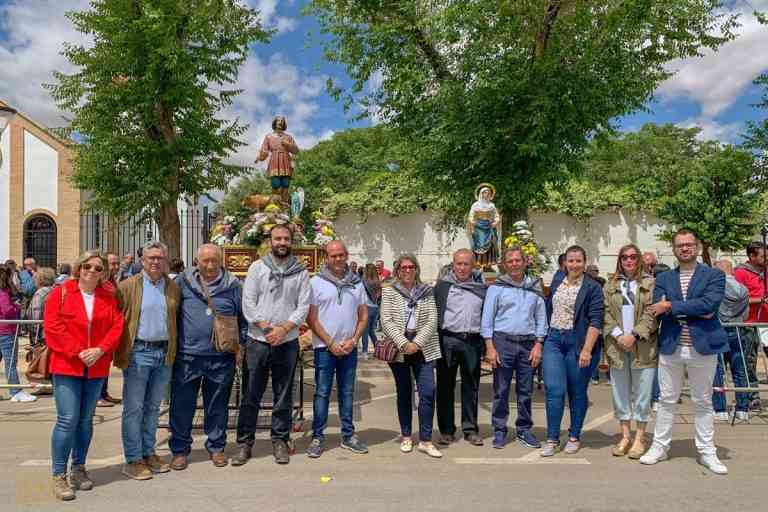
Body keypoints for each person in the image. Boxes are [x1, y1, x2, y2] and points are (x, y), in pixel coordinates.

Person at [641, 228, 729, 475]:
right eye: (680, 245)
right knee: (666, 400)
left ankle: (707, 452)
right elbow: (657, 309)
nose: (685, 248)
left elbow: (709, 305)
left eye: (689, 244)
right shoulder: (665, 278)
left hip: (703, 346)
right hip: (672, 345)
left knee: (703, 401)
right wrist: (687, 308)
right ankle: (660, 447)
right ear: (674, 248)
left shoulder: (714, 275)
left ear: (697, 247)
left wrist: (671, 305)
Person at [44, 250, 124, 500]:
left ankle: (78, 467)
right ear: (79, 267)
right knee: (68, 419)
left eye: (98, 268)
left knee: (85, 420)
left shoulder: (108, 296)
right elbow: (53, 327)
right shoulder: (61, 292)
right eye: (87, 266)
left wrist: (100, 350)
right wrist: (79, 351)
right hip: (67, 365)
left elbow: (117, 324)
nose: (92, 271)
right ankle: (59, 475)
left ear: (104, 273)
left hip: (96, 366)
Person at [234, 224, 311, 466]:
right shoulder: (257, 268)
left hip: (287, 342)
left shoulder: (300, 272)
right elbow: (248, 303)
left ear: (291, 242)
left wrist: (284, 329)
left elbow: (303, 306)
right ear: (270, 240)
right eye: (278, 238)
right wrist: (268, 329)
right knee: (250, 394)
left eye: (286, 239)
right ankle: (245, 443)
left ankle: (279, 439)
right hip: (258, 341)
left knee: (284, 394)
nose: (282, 242)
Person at [169, 244, 246, 470]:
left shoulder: (234, 286)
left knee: (218, 405)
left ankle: (216, 447)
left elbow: (243, 317)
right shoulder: (182, 283)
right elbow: (171, 314)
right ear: (197, 261)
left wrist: (240, 346)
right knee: (182, 406)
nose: (210, 265)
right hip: (187, 356)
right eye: (205, 261)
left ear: (221, 261)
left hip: (221, 357)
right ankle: (180, 450)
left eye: (214, 260)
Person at [115, 241, 180, 480]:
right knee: (134, 408)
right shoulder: (128, 286)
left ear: (165, 261)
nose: (155, 262)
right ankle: (133, 459)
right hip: (138, 353)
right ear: (142, 261)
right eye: (151, 258)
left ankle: (148, 452)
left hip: (164, 353)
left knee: (153, 408)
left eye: (160, 258)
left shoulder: (173, 287)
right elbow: (117, 318)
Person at [305, 240, 369, 458]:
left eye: (341, 254)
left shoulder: (357, 284)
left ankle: (348, 436)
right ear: (327, 257)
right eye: (334, 255)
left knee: (347, 392)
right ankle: (317, 437)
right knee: (322, 393)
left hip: (349, 348)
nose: (338, 259)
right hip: (325, 348)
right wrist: (330, 342)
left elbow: (363, 316)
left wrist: (353, 340)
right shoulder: (316, 283)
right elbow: (311, 318)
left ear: (347, 255)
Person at [540, 245, 604, 457]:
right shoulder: (558, 280)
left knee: (576, 391)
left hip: (578, 343)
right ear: (564, 263)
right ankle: (552, 438)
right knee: (554, 389)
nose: (574, 264)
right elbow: (549, 309)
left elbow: (596, 320)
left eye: (578, 261)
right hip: (554, 340)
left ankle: (574, 435)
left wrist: (587, 349)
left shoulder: (592, 287)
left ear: (584, 263)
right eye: (571, 260)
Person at [482, 247, 547, 449]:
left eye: (518, 260)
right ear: (504, 264)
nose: (514, 264)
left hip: (528, 344)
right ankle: (500, 430)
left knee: (525, 390)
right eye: (510, 261)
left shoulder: (534, 287)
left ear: (525, 262)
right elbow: (487, 320)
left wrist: (539, 344)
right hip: (503, 343)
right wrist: (490, 348)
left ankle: (524, 429)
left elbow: (541, 319)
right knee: (501, 390)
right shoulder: (496, 288)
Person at [381, 254, 442, 458]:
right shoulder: (389, 292)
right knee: (404, 392)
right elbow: (386, 321)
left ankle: (425, 440)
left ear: (416, 269)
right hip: (400, 349)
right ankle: (406, 435)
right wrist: (404, 343)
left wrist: (416, 343)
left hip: (423, 348)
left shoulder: (427, 292)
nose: (407, 270)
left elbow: (433, 320)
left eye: (411, 267)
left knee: (428, 392)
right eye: (403, 267)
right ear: (397, 270)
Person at [603, 244, 658, 459]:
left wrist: (633, 335)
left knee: (643, 393)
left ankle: (640, 437)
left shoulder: (651, 284)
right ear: (619, 260)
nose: (629, 261)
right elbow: (605, 313)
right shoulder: (610, 285)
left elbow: (651, 313)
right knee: (620, 392)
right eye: (624, 257)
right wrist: (618, 336)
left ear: (640, 260)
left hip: (643, 345)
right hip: (617, 346)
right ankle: (625, 435)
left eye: (633, 257)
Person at [434, 249, 487, 447]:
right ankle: (447, 430)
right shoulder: (442, 286)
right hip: (447, 340)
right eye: (459, 264)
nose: (462, 268)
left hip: (472, 341)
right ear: (453, 265)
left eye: (466, 264)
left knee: (471, 387)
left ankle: (470, 429)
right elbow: (435, 313)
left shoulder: (481, 288)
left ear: (473, 266)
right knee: (445, 387)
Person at [712, 259, 751, 422]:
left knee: (718, 369)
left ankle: (720, 409)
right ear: (731, 271)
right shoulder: (743, 289)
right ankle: (743, 409)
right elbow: (746, 314)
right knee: (739, 369)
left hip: (719, 329)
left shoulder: (716, 288)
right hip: (738, 330)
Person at [0, 263, 36, 402]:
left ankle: (15, 390)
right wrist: (15, 307)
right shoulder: (3, 293)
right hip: (7, 331)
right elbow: (7, 310)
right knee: (11, 362)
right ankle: (16, 391)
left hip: (3, 330)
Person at [97, 253, 122, 407]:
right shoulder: (101, 282)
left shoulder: (112, 281)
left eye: (117, 263)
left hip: (110, 330)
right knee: (99, 365)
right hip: (101, 331)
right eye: (113, 264)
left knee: (106, 364)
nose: (116, 267)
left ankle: (104, 393)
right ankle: (98, 396)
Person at [256, 115, 300, 204]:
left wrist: (288, 144)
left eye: (282, 121)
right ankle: (276, 204)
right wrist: (260, 157)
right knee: (275, 183)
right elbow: (264, 150)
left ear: (284, 124)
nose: (280, 122)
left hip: (286, 160)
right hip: (275, 160)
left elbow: (296, 151)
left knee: (285, 183)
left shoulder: (288, 137)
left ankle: (284, 203)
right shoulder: (269, 137)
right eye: (278, 120)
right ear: (275, 123)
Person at [468, 185, 501, 267]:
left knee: (491, 243)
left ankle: (488, 264)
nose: (487, 194)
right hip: (478, 227)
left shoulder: (492, 205)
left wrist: (495, 223)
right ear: (481, 194)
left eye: (488, 193)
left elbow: (497, 216)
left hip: (489, 226)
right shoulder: (476, 205)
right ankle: (478, 263)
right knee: (479, 245)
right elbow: (470, 216)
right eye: (485, 192)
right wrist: (473, 222)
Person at [28, 267, 56, 342]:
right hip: (52, 331)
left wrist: (34, 332)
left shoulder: (40, 293)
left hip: (41, 334)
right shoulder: (55, 290)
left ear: (40, 279)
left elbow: (36, 314)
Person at [360, 263, 381, 359]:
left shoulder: (364, 281)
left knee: (365, 331)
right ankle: (378, 350)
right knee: (371, 331)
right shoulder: (378, 281)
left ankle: (365, 352)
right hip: (375, 307)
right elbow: (379, 296)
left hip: (367, 307)